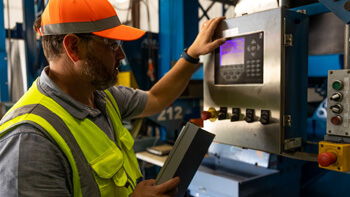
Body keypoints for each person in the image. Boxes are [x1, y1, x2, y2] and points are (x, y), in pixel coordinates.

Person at [0, 0, 226, 196]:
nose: (121, 55)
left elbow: (157, 98)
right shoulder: (29, 141)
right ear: (73, 47)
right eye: (112, 44)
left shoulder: (102, 98)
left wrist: (192, 54)